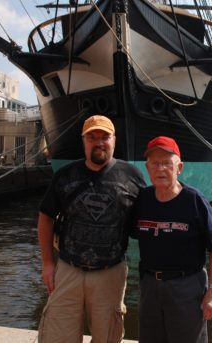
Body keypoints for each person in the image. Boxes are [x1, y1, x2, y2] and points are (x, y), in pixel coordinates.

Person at [37, 115, 146, 343]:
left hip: (110, 273)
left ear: (114, 140)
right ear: (83, 141)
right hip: (68, 270)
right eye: (92, 137)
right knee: (58, 335)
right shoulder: (65, 175)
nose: (99, 142)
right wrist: (48, 263)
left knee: (107, 336)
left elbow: (145, 222)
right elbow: (45, 217)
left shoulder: (132, 176)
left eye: (105, 137)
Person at [132, 136, 212, 343]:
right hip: (150, 288)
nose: (160, 169)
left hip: (186, 288)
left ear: (179, 167)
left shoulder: (194, 200)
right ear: (147, 168)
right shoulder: (143, 200)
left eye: (167, 163)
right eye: (155, 163)